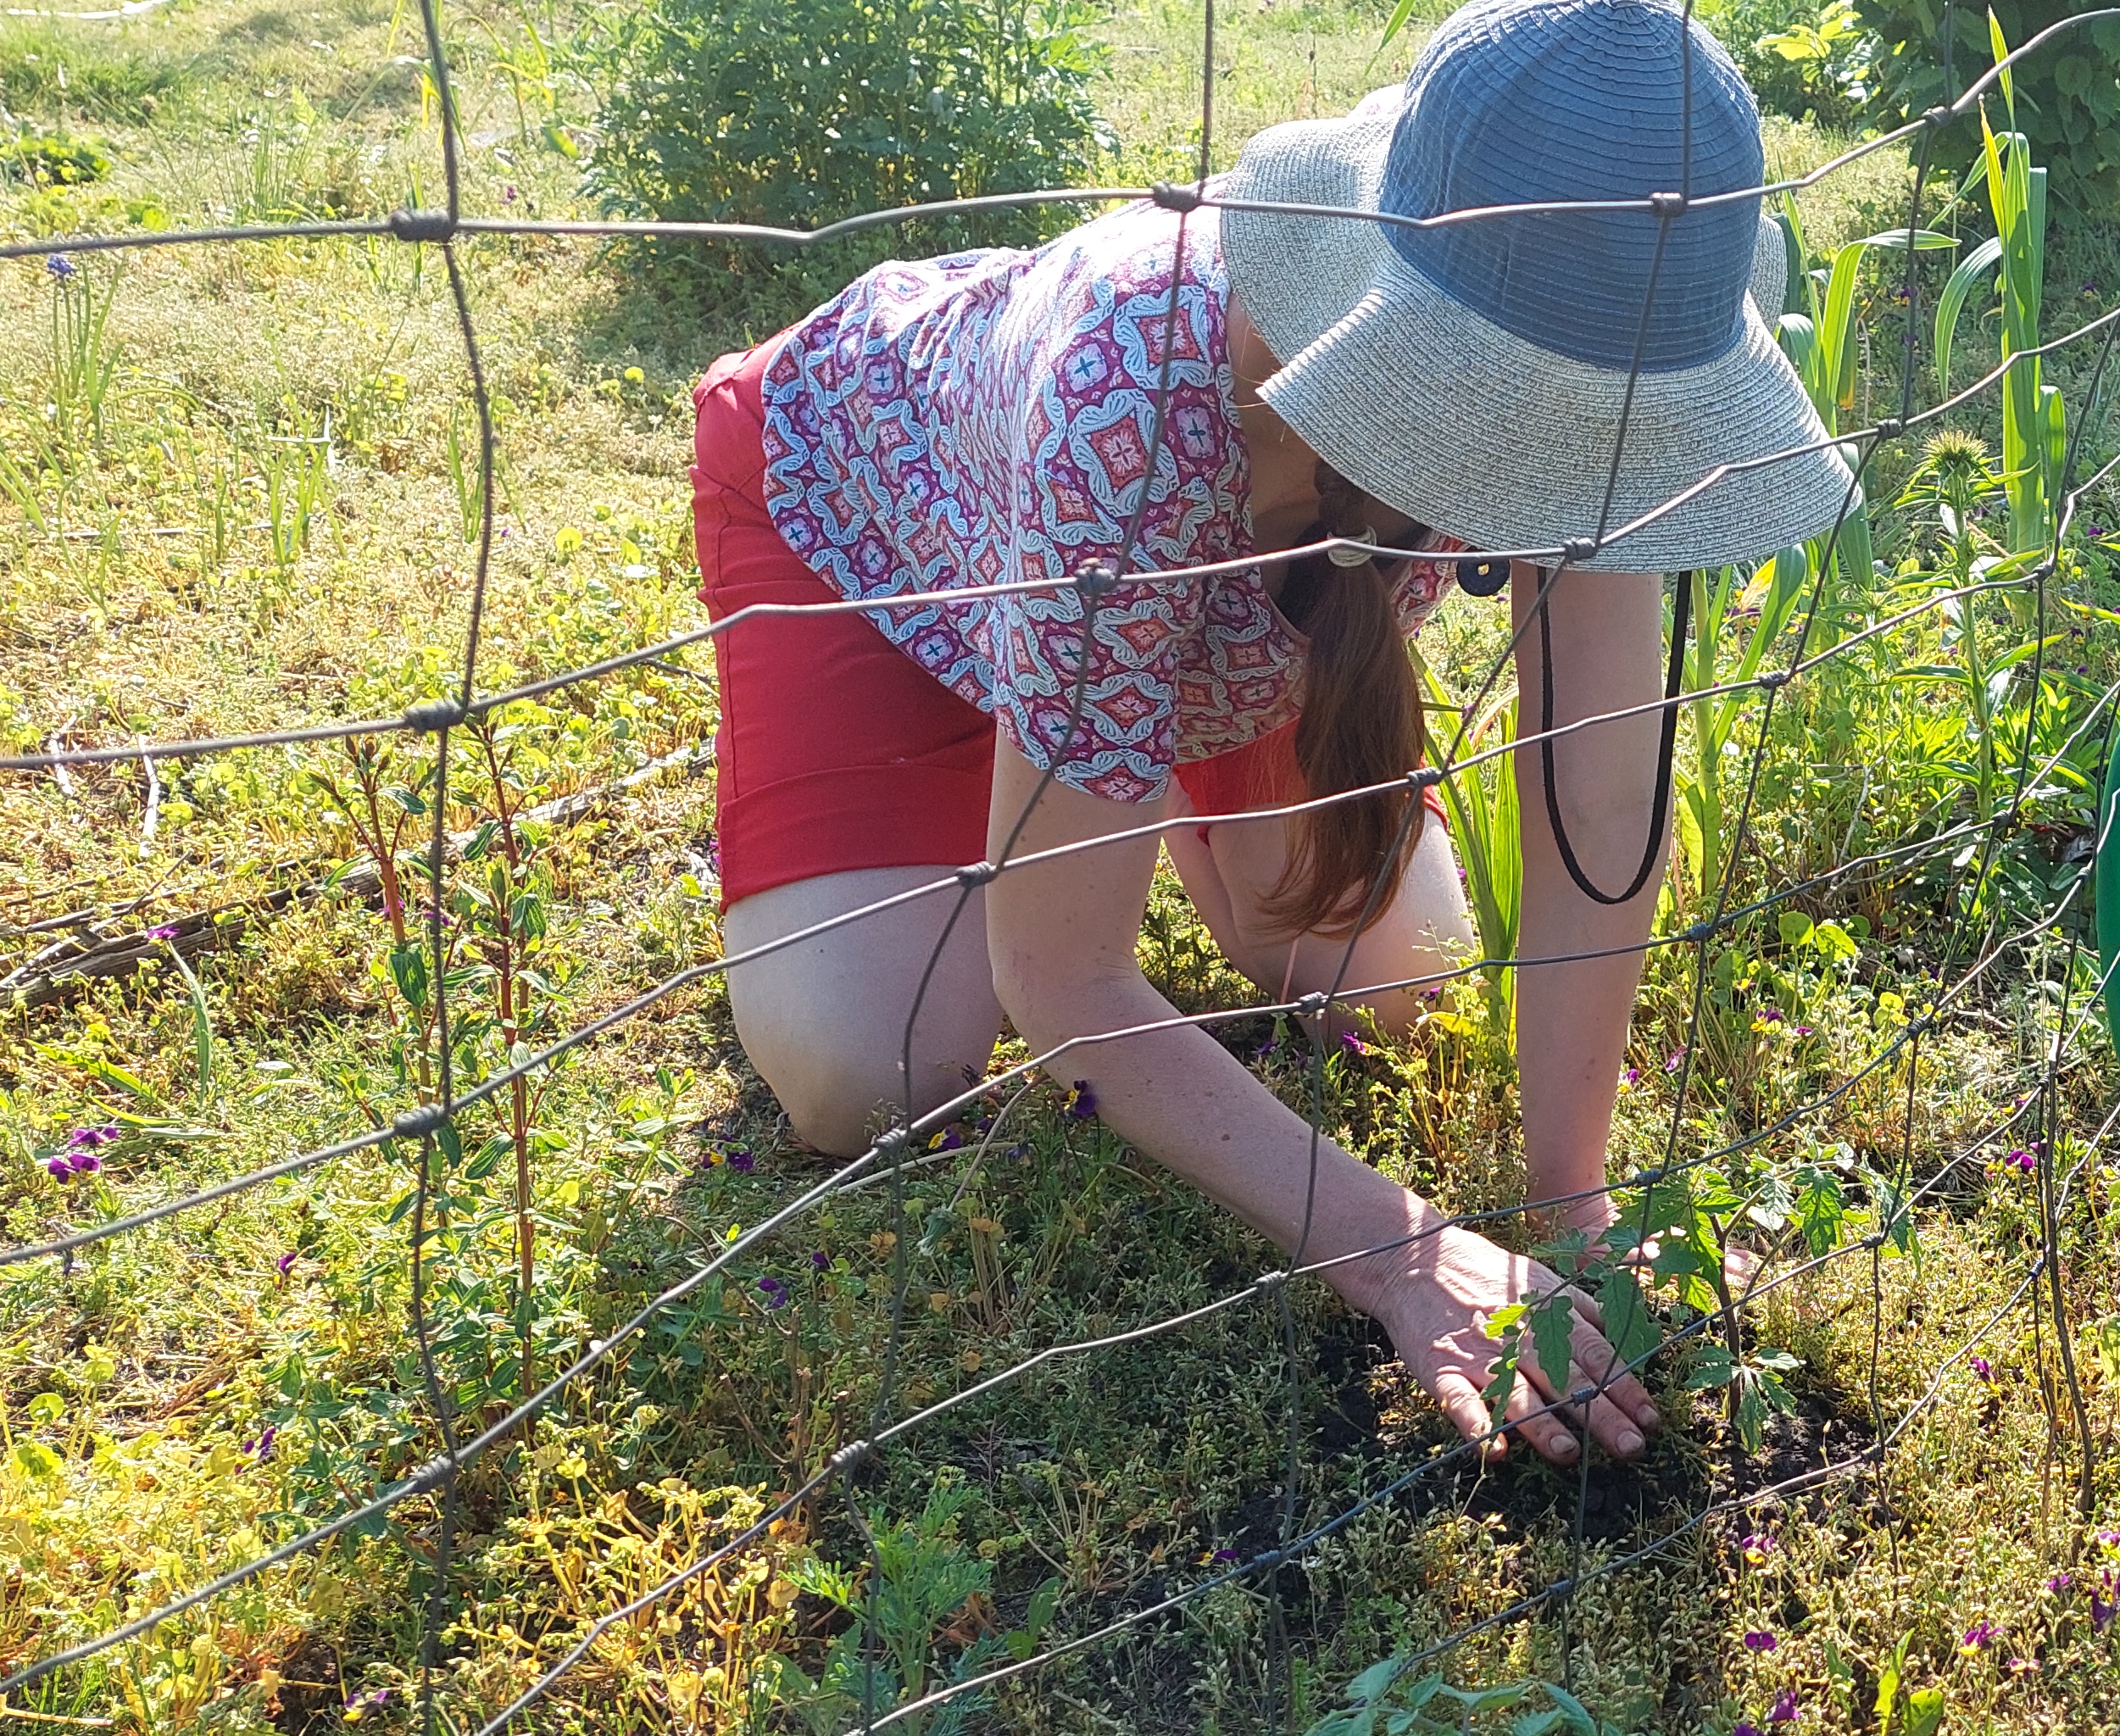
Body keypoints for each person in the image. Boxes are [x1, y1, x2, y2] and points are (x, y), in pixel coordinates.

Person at [682, 0, 1850, 1466]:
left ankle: (1100, 763)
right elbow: (1060, 979)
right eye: (1526, 428)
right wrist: (1398, 1250)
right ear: (1415, 342)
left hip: (1228, 624)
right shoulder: (1128, 418)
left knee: (1400, 987)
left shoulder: (1590, 343)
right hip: (869, 538)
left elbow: (1599, 809)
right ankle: (1064, 771)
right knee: (876, 1073)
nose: (1559, 471)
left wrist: (1576, 1213)